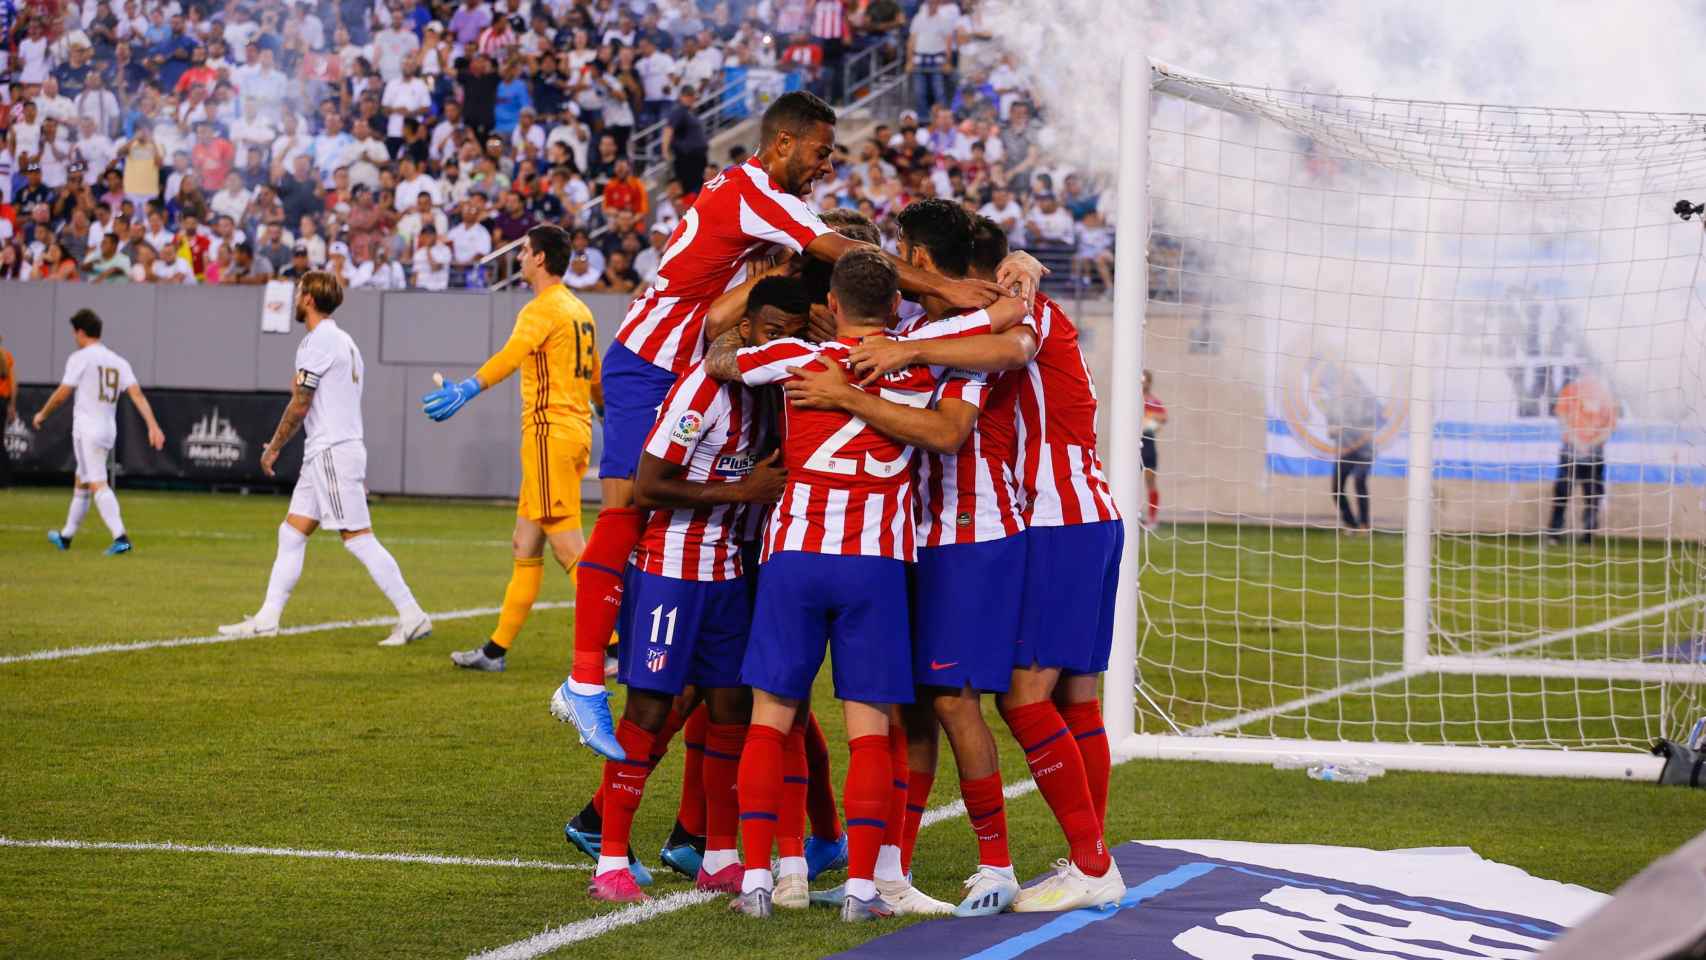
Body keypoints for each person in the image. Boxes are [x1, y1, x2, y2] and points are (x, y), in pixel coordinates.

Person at [560, 90, 1005, 761]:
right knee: (627, 505)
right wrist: (949, 290)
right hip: (653, 358)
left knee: (739, 688)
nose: (827, 165)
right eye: (823, 152)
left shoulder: (759, 220)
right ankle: (586, 678)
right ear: (784, 143)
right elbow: (836, 257)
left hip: (680, 370)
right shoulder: (756, 193)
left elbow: (781, 285)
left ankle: (702, 829)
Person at [703, 251, 1005, 922]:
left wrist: (758, 305)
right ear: (894, 305)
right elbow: (968, 403)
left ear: (831, 305)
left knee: (770, 718)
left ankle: (757, 878)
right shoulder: (929, 365)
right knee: (870, 731)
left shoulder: (793, 359)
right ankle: (865, 889)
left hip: (795, 556)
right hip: (876, 563)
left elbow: (716, 354)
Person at [850, 223, 1127, 912]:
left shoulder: (1014, 307)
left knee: (1024, 698)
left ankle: (1090, 866)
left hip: (1055, 518)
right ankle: (1091, 857)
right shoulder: (1001, 297)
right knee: (1074, 699)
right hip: (1080, 513)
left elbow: (1011, 343)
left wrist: (905, 348)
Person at [778, 201, 1032, 918]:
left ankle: (996, 864)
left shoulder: (973, 331)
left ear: (918, 258)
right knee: (911, 710)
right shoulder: (921, 329)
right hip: (912, 535)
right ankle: (888, 869)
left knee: (953, 700)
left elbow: (955, 427)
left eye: (898, 252)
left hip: (970, 533)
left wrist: (853, 389)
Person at [578, 277, 802, 905]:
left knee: (730, 710)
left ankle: (719, 857)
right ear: (749, 331)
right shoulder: (702, 390)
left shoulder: (776, 397)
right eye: (773, 332)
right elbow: (647, 485)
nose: (781, 345)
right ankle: (613, 862)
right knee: (649, 714)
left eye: (793, 333)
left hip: (730, 577)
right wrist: (742, 491)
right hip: (671, 576)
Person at [420, 225, 601, 674]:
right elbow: (595, 375)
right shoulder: (580, 311)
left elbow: (510, 355)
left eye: (524, 250)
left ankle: (617, 645)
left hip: (548, 434)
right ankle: (495, 652)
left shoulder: (542, 308)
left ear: (540, 258)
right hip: (572, 433)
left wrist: (468, 389)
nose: (520, 257)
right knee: (525, 543)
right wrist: (604, 416)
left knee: (569, 549)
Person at [218, 272, 432, 645]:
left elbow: (301, 404)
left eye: (300, 292)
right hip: (328, 450)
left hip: (331, 451)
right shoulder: (344, 341)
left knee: (358, 538)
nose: (296, 298)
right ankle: (268, 618)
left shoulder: (318, 341)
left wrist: (273, 447)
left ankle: (412, 614)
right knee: (291, 533)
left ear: (310, 300)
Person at [33, 309, 167, 555]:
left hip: (88, 429)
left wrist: (42, 413)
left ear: (81, 332)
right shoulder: (117, 360)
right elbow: (136, 394)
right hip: (107, 428)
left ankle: (121, 538)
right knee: (82, 481)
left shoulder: (81, 358)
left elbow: (63, 393)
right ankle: (66, 536)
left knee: (97, 483)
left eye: (75, 333)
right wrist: (152, 424)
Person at [1547, 371, 1617, 545]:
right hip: (1570, 453)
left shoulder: (1605, 395)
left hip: (1595, 456)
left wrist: (1591, 444)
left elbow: (1610, 427)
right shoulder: (1570, 391)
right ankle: (1554, 534)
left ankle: (1588, 536)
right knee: (1562, 493)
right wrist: (1578, 443)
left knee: (1593, 496)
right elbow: (1562, 419)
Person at [1330, 373, 1378, 534]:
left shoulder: (1366, 404)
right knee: (1336, 488)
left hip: (1364, 453)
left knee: (1359, 481)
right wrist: (1335, 430)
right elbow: (1330, 431)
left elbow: (1368, 432)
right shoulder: (1334, 406)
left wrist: (1350, 447)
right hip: (1344, 453)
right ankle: (1350, 523)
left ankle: (1364, 524)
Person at [1142, 370, 1166, 528]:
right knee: (1129, 479)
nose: (1144, 383)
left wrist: (1149, 420)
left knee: (1150, 480)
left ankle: (1152, 519)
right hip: (1132, 444)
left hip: (1148, 442)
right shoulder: (1132, 400)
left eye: (1146, 380)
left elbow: (1163, 418)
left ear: (1150, 382)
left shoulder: (1153, 402)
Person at [0, 336, 16, 488]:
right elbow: (13, 383)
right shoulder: (7, 356)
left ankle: (5, 481)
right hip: (2, 401)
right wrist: (11, 405)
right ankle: (6, 481)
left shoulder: (5, 357)